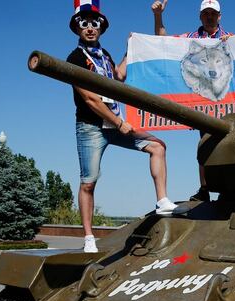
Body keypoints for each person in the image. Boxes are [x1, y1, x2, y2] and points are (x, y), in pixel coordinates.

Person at [67, 0, 177, 253]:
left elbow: (118, 77)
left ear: (101, 27)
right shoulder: (75, 58)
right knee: (88, 182)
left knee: (157, 146)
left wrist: (130, 50)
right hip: (92, 126)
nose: (90, 28)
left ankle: (162, 201)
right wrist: (119, 122)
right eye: (84, 24)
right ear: (77, 28)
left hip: (115, 123)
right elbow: (90, 99)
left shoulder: (103, 55)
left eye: (95, 23)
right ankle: (88, 237)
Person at [150, 0, 235, 201]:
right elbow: (164, 42)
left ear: (219, 16)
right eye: (206, 14)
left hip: (227, 100)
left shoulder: (229, 38)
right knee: (205, 142)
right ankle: (205, 188)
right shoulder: (190, 39)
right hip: (203, 100)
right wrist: (158, 16)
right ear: (200, 16)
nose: (209, 17)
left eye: (213, 13)